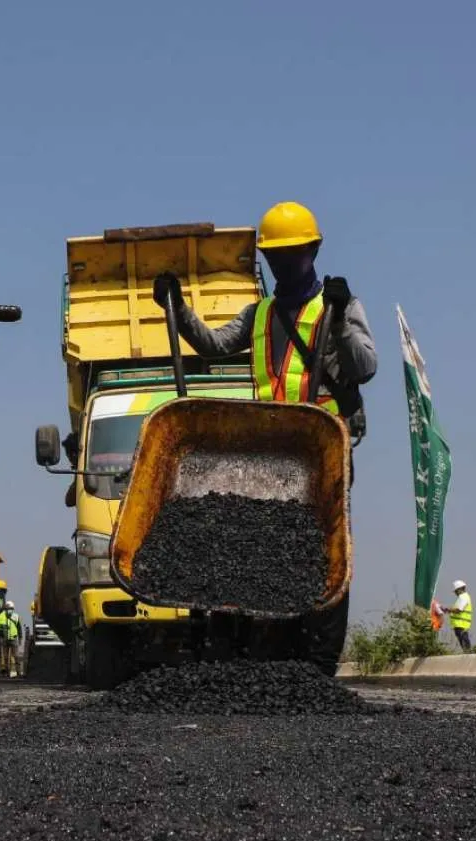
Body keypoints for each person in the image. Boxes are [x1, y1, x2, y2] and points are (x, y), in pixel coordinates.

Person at [153, 201, 377, 677]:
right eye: (275, 256)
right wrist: (178, 309)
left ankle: (317, 662)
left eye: (293, 254)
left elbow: (366, 368)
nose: (283, 264)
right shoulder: (259, 315)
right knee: (259, 549)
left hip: (322, 450)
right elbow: (212, 346)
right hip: (268, 455)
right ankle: (260, 653)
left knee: (323, 548)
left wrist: (339, 320)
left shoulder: (339, 307)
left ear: (313, 251)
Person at [447, 580, 473, 653]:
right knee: (464, 642)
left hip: (461, 624)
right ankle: (467, 653)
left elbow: (459, 609)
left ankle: (468, 654)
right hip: (460, 624)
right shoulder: (463, 597)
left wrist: (449, 609)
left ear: (459, 589)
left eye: (456, 591)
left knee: (464, 642)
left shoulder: (463, 597)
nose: (455, 593)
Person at [2, 600, 24, 678]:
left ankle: (18, 673)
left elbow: (19, 628)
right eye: (8, 608)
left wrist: (20, 638)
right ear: (5, 609)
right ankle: (7, 674)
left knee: (16, 656)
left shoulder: (16, 616)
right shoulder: (2, 617)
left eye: (10, 608)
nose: (9, 610)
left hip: (14, 639)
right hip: (4, 639)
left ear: (13, 609)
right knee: (5, 657)